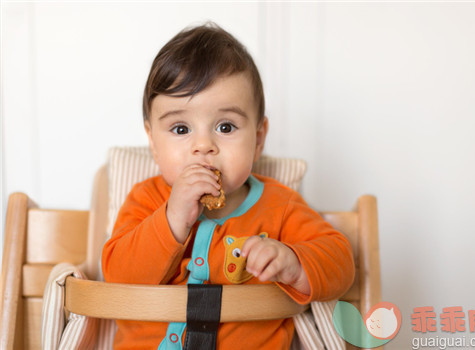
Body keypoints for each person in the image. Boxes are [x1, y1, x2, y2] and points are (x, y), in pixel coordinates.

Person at [102, 22, 355, 350]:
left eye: (225, 126)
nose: (203, 145)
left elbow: (340, 260)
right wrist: (172, 219)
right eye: (180, 129)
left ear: (258, 139)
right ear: (152, 142)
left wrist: (294, 262)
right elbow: (118, 276)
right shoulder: (146, 199)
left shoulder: (280, 205)